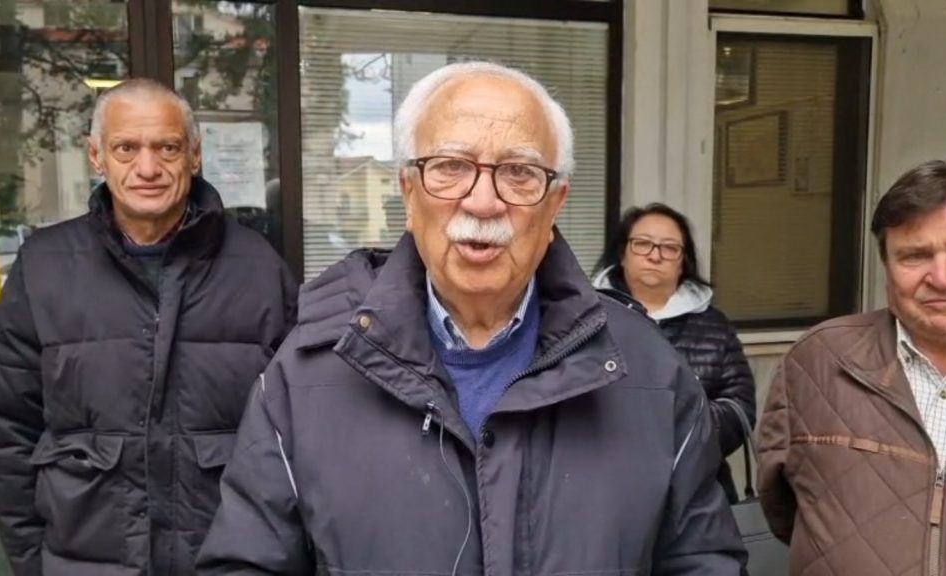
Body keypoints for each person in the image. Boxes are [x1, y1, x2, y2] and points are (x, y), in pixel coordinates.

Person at [196, 62, 745, 574]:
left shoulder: (650, 373)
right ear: (409, 192)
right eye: (451, 167)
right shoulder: (304, 378)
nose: (483, 202)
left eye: (520, 172)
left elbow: (704, 562)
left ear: (555, 204)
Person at [0, 78, 298, 575]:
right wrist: (35, 561)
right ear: (96, 156)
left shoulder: (258, 268)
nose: (148, 168)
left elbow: (298, 432)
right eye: (126, 148)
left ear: (194, 156)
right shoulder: (44, 267)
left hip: (227, 562)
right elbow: (4, 429)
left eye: (167, 148)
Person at [757, 160, 946, 575]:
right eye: (914, 256)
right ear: (886, 266)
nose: (941, 277)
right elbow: (784, 507)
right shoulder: (820, 361)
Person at [593, 203, 756, 503]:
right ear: (622, 253)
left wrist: (676, 430)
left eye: (669, 248)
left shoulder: (714, 325)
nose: (655, 256)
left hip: (698, 490)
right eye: (643, 244)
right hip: (607, 490)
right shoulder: (587, 319)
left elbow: (739, 408)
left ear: (683, 262)